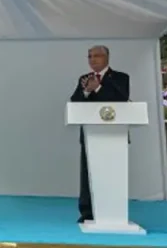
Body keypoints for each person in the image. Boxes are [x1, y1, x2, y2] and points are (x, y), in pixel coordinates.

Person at [69, 45, 130, 223]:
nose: (92, 60)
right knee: (88, 174)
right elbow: (74, 103)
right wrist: (87, 91)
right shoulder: (84, 79)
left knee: (113, 174)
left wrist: (98, 89)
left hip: (114, 135)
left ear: (107, 58)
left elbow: (122, 99)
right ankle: (87, 212)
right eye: (89, 56)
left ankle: (114, 212)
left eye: (97, 56)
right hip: (90, 135)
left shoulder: (120, 77)